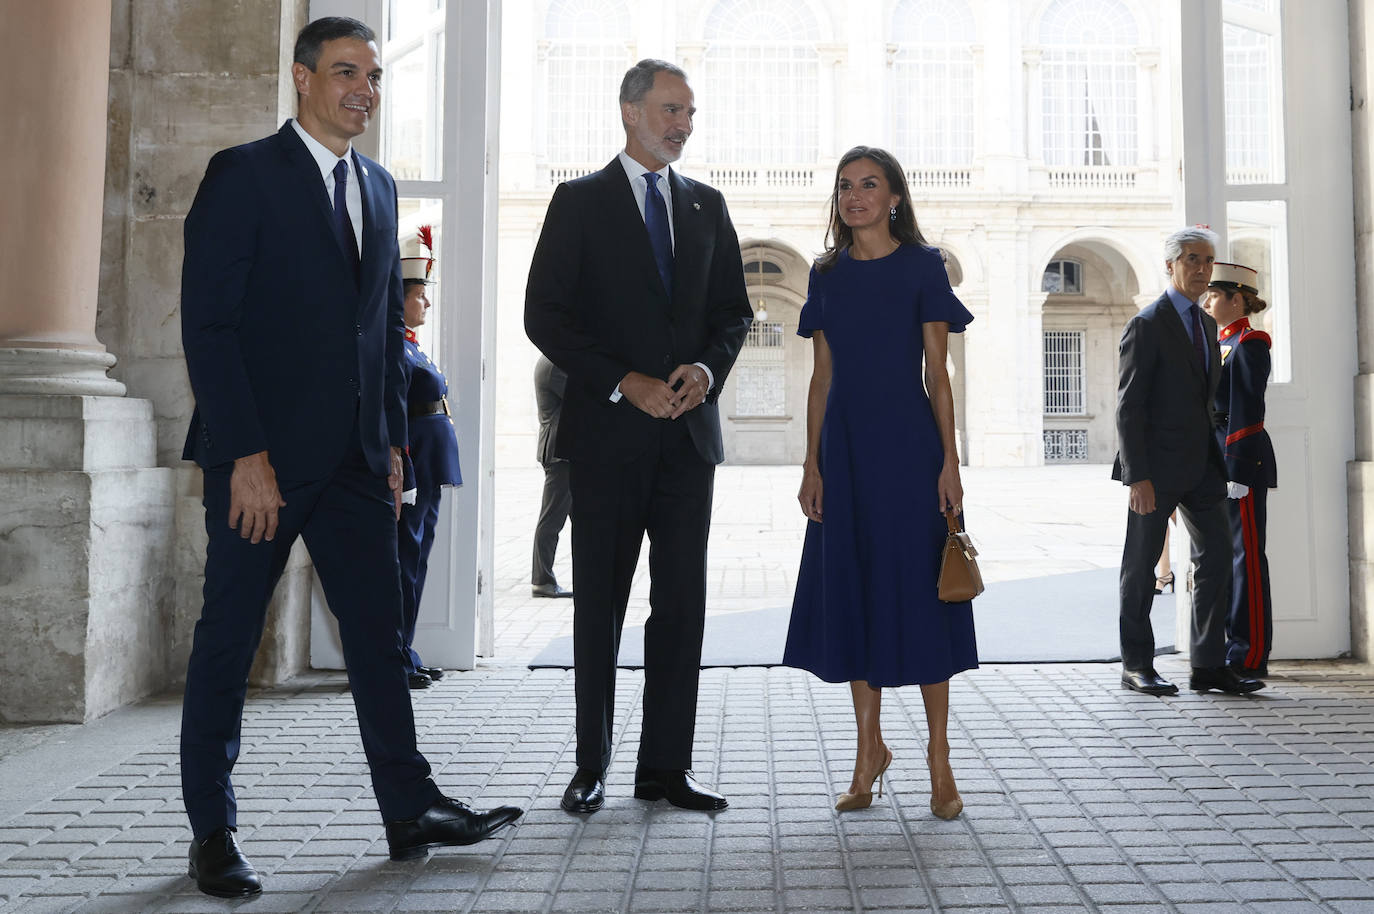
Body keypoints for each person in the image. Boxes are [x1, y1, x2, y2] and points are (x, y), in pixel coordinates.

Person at [178, 17, 520, 898]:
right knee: (227, 640)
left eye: (372, 74)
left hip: (361, 465)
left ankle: (409, 811)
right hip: (262, 462)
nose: (363, 88)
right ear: (301, 78)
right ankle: (213, 833)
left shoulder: (380, 182)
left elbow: (375, 337)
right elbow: (208, 329)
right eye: (344, 72)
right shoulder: (244, 175)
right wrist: (243, 454)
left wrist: (395, 444)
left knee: (378, 642)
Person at [524, 59, 753, 815]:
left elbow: (733, 315)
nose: (682, 124)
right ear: (629, 111)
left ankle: (665, 769)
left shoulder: (707, 206)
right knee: (600, 606)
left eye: (690, 112)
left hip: (689, 443)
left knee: (681, 607)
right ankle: (590, 766)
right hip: (607, 440)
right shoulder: (579, 202)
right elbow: (546, 316)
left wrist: (705, 371)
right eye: (670, 109)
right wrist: (625, 380)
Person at [783, 145, 977, 820]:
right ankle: (869, 751)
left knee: (922, 596)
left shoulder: (923, 266)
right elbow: (821, 376)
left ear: (895, 197)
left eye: (869, 185)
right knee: (857, 593)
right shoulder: (826, 273)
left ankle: (939, 757)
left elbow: (938, 375)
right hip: (845, 453)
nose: (855, 195)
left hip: (908, 450)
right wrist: (812, 465)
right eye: (845, 186)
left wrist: (949, 462)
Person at [1112, 227, 1265, 697]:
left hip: (1202, 467)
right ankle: (1137, 664)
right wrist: (1137, 476)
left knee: (1217, 556)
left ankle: (1207, 665)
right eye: (1193, 259)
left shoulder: (1203, 324)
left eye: (1208, 261)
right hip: (1155, 471)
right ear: (1171, 265)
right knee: (1140, 568)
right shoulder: (1148, 323)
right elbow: (1128, 406)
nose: (1202, 268)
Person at [1202, 262, 1278, 677]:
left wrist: (1238, 471)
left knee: (1245, 558)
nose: (1208, 300)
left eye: (1215, 294)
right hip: (1214, 458)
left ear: (1237, 299)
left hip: (1237, 460)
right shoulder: (1219, 342)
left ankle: (1248, 654)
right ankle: (1229, 646)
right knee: (1224, 558)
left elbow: (1249, 410)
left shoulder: (1250, 342)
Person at [397, 225, 462, 689]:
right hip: (411, 464)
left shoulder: (410, 345)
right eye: (420, 294)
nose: (427, 303)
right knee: (402, 560)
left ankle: (407, 650)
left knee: (416, 560)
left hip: (430, 463)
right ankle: (394, 658)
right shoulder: (389, 345)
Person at [532, 355, 573, 598]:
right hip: (560, 453)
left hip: (564, 451)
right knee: (551, 518)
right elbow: (582, 397)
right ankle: (542, 580)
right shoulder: (554, 364)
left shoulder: (551, 362)